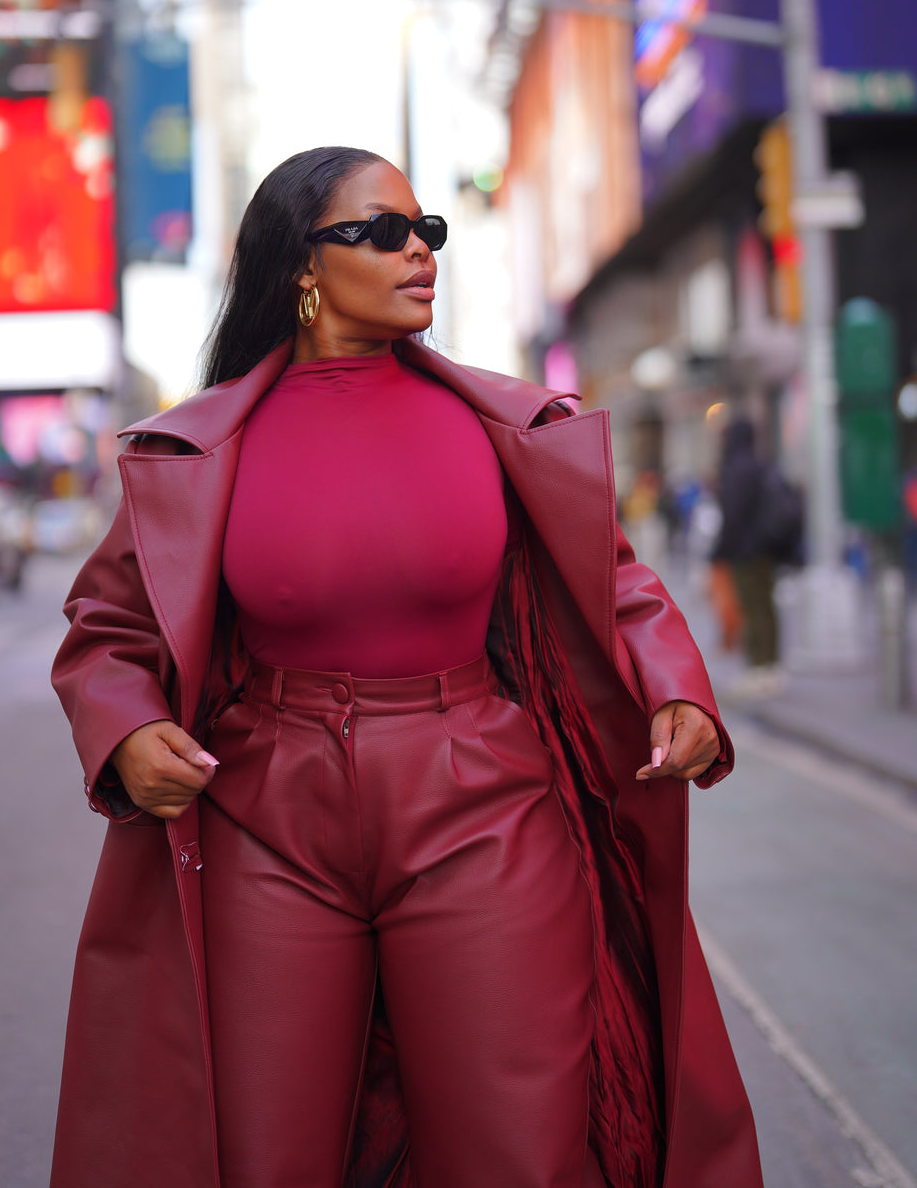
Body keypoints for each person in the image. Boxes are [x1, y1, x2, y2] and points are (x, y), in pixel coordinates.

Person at [50, 146, 763, 1188]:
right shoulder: (198, 450)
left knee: (514, 1149)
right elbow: (108, 622)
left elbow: (613, 581)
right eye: (381, 231)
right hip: (264, 817)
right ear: (301, 264)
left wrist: (680, 689)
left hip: (482, 804)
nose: (419, 252)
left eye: (427, 230)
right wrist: (124, 726)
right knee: (263, 1155)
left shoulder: (504, 425)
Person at [712, 416, 787, 698]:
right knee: (766, 607)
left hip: (745, 552)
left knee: (752, 608)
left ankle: (758, 668)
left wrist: (720, 550)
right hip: (766, 549)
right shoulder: (760, 463)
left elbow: (733, 515)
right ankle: (771, 666)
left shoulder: (736, 468)